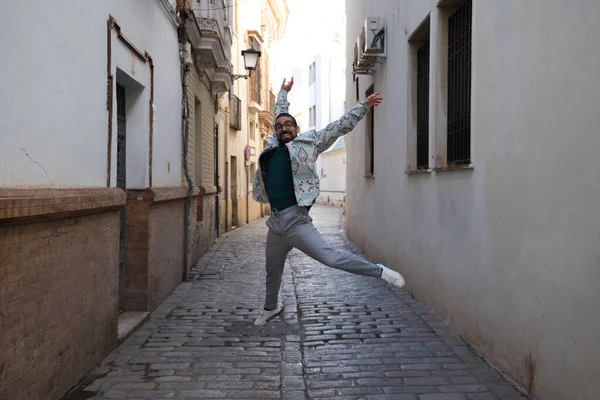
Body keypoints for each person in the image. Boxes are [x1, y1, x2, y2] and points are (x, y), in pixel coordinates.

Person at [251, 77, 405, 326]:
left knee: (331, 258)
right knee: (272, 269)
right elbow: (280, 112)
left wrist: (363, 106)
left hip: (296, 221)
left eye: (289, 124)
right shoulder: (271, 146)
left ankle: (379, 271)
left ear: (296, 129)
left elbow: (338, 127)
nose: (284, 128)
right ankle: (270, 307)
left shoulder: (310, 143)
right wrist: (282, 92)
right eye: (279, 126)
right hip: (276, 223)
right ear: (275, 131)